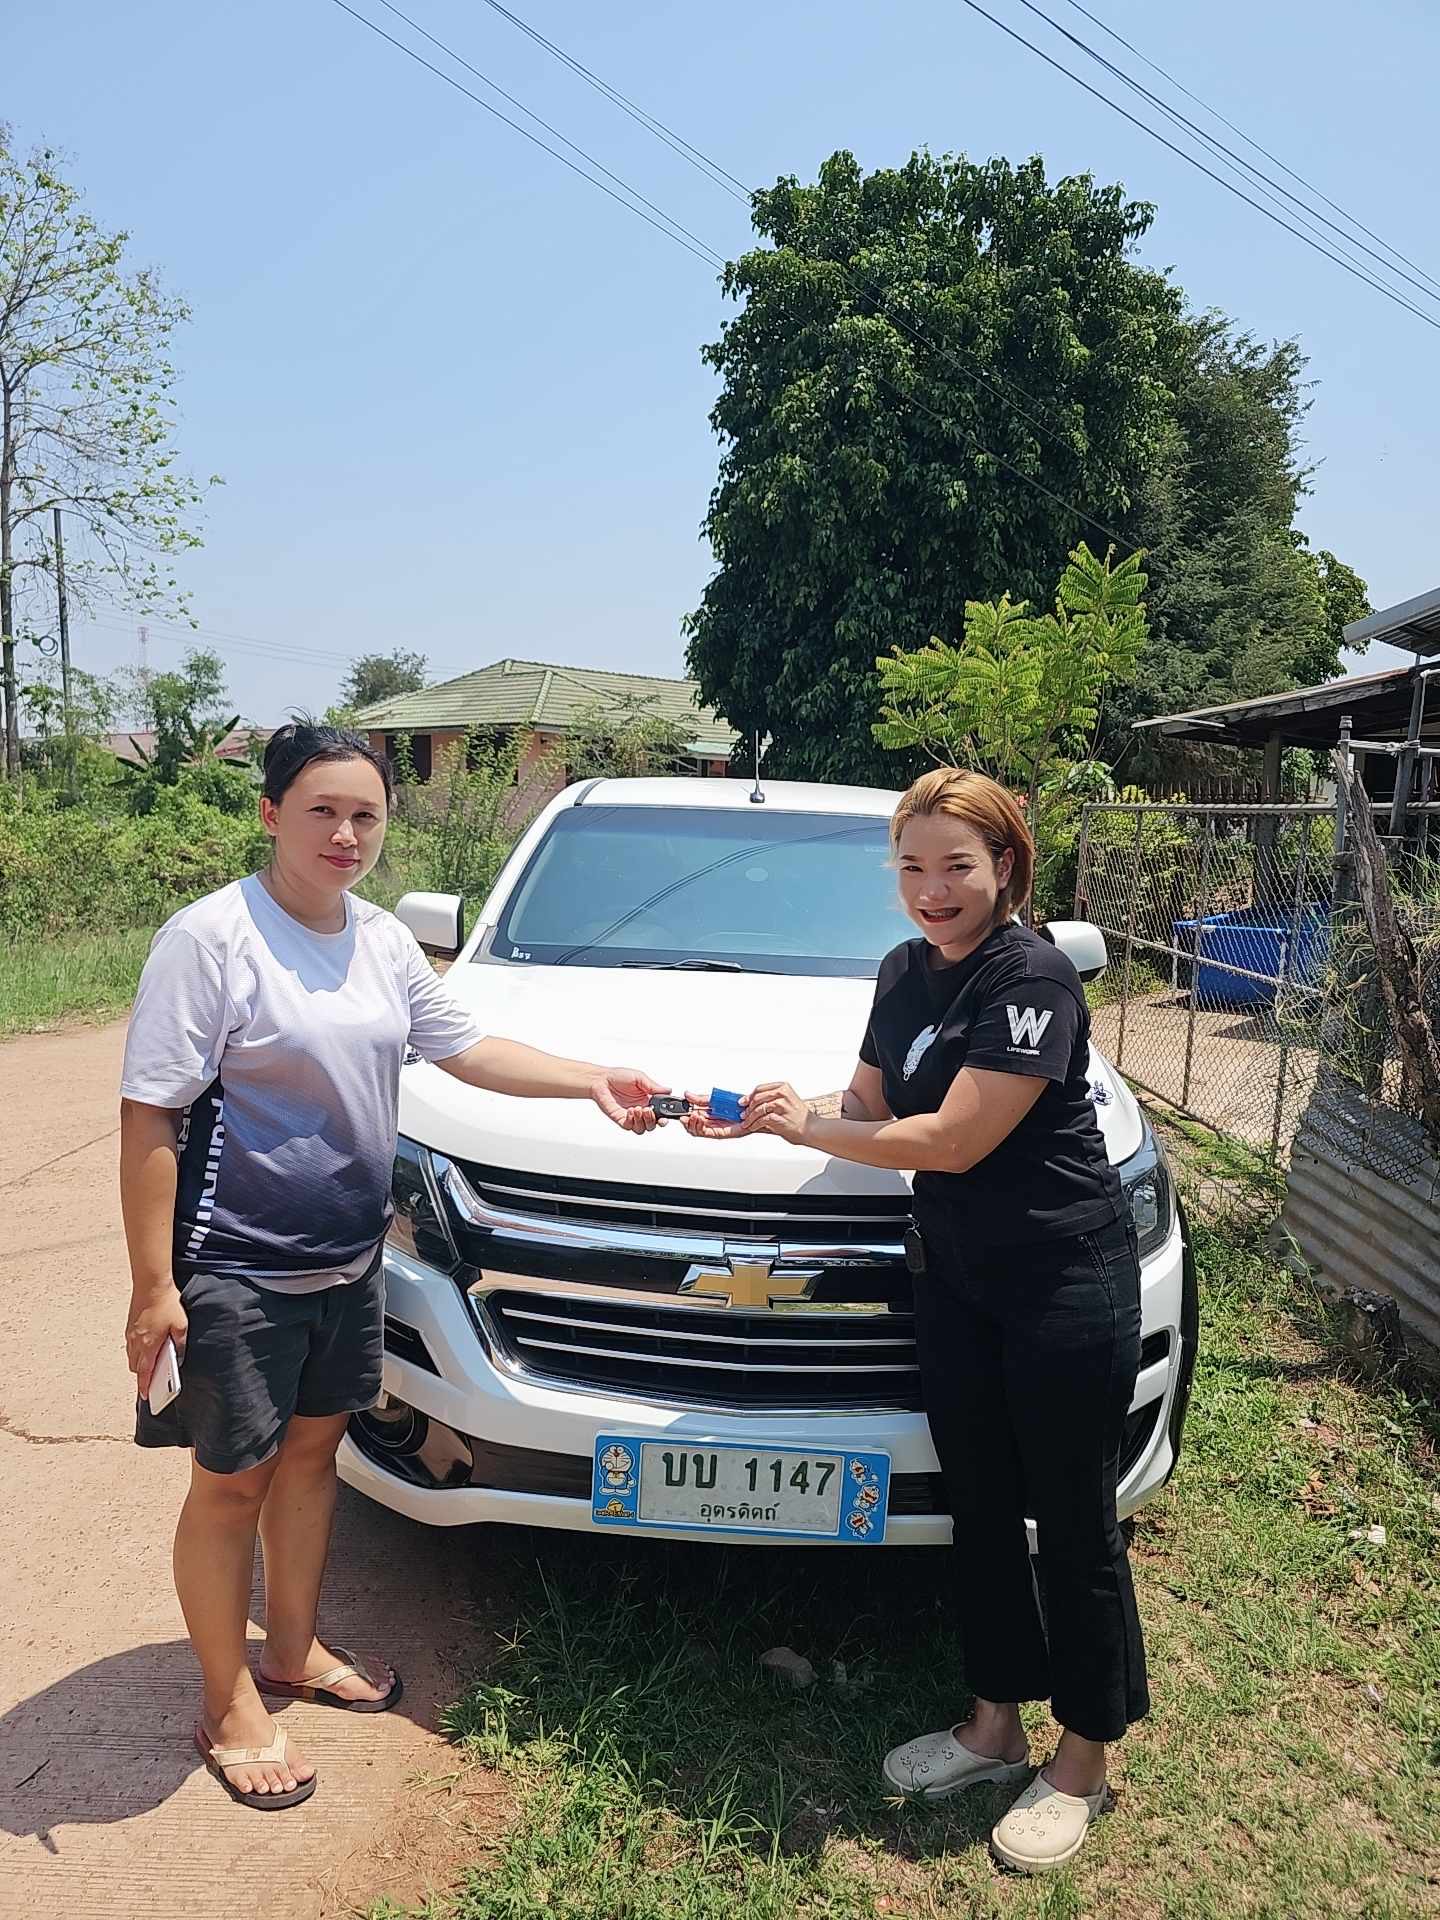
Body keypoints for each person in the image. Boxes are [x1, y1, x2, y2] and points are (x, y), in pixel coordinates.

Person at [120, 722, 669, 1813]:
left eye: (365, 814)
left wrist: (590, 1081)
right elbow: (150, 1116)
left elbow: (465, 1047)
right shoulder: (213, 939)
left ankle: (290, 1650)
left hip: (347, 1262)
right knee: (230, 1485)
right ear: (271, 814)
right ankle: (227, 1700)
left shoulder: (378, 940)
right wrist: (152, 1286)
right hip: (236, 1269)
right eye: (321, 810)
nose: (346, 833)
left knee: (313, 1459)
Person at [686, 767, 1147, 1874]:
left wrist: (812, 1132)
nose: (931, 889)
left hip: (1063, 1278)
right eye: (911, 867)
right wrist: (766, 1117)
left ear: (1005, 867)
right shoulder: (902, 971)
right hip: (955, 1280)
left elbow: (951, 1140)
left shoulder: (1032, 978)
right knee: (978, 1507)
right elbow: (868, 1107)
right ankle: (994, 1729)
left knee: (1071, 1521)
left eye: (956, 866)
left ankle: (1083, 1757)